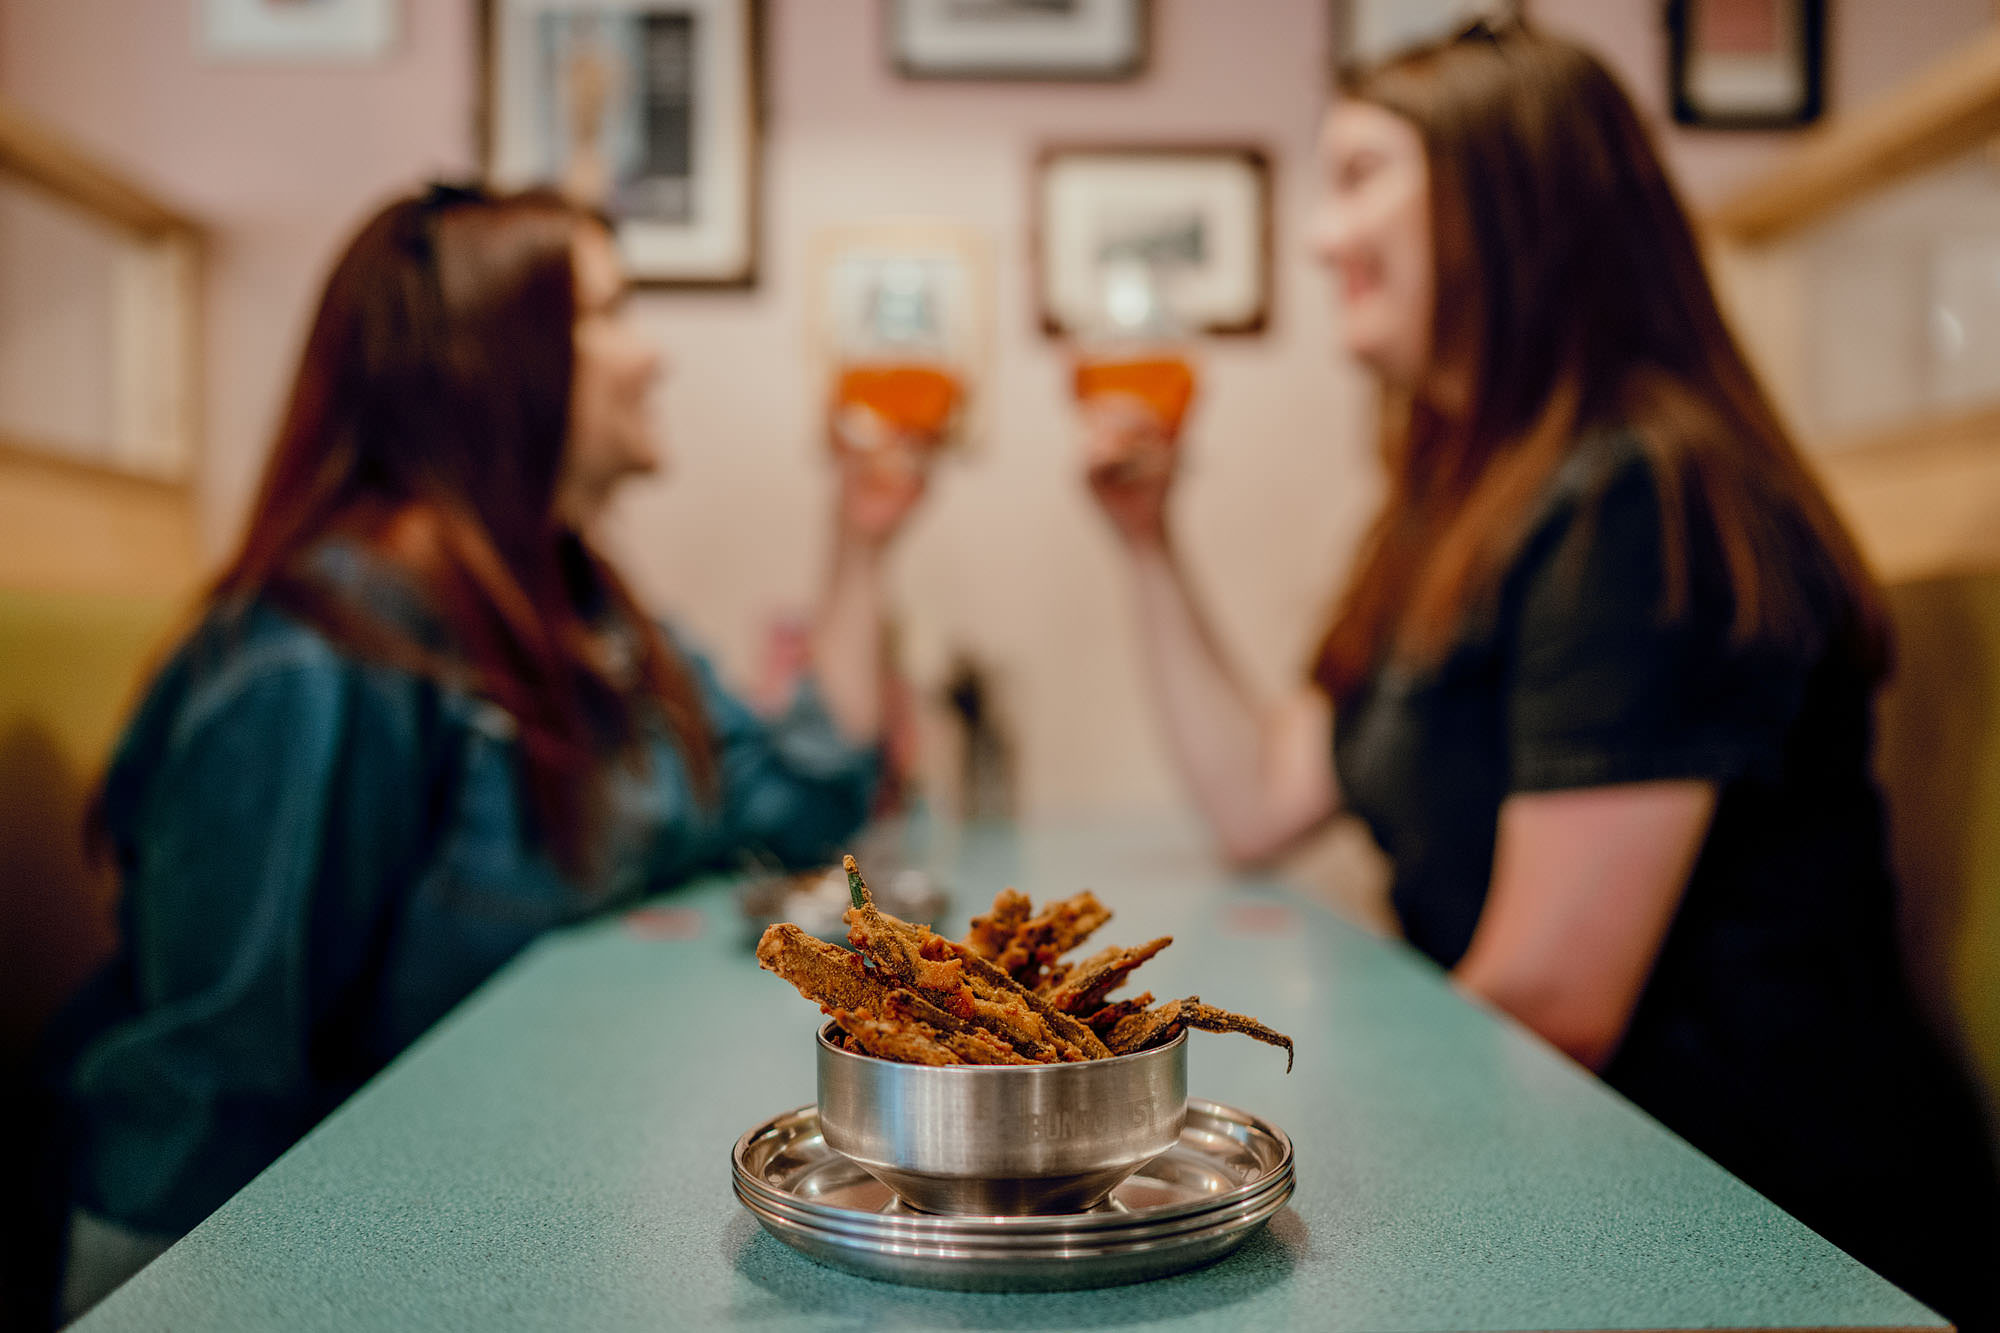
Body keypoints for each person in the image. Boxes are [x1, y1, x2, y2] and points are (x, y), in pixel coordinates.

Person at [1082, 20, 1999, 1327]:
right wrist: (1149, 544)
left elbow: (1554, 1004)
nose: (1323, 237)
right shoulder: (1460, 502)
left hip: (1756, 1215)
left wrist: (1225, 1166)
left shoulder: (1649, 497)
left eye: (1358, 179)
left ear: (1505, 199)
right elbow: (1258, 803)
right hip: (1577, 1168)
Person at [44, 183, 931, 1313]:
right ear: (485, 365)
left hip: (528, 1197)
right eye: (607, 313)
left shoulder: (584, 613)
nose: (652, 355)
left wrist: (858, 546)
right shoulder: (316, 661)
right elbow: (207, 1089)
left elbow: (796, 793)